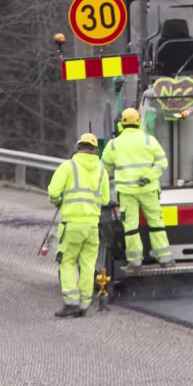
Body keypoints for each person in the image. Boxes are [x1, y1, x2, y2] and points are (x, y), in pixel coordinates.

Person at [45, 132, 112, 318]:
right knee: (88, 264)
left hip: (73, 224)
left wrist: (60, 202)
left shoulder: (68, 166)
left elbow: (53, 191)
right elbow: (105, 198)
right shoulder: (101, 171)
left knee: (67, 261)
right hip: (92, 226)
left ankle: (71, 303)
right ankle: (84, 305)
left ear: (78, 147)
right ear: (95, 150)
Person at [103, 106, 171, 266]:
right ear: (139, 122)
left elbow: (102, 170)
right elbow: (163, 162)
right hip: (149, 190)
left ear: (121, 124)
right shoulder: (149, 140)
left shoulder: (113, 145)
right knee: (156, 222)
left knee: (131, 226)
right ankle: (165, 257)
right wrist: (148, 177)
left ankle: (135, 261)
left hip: (126, 193)